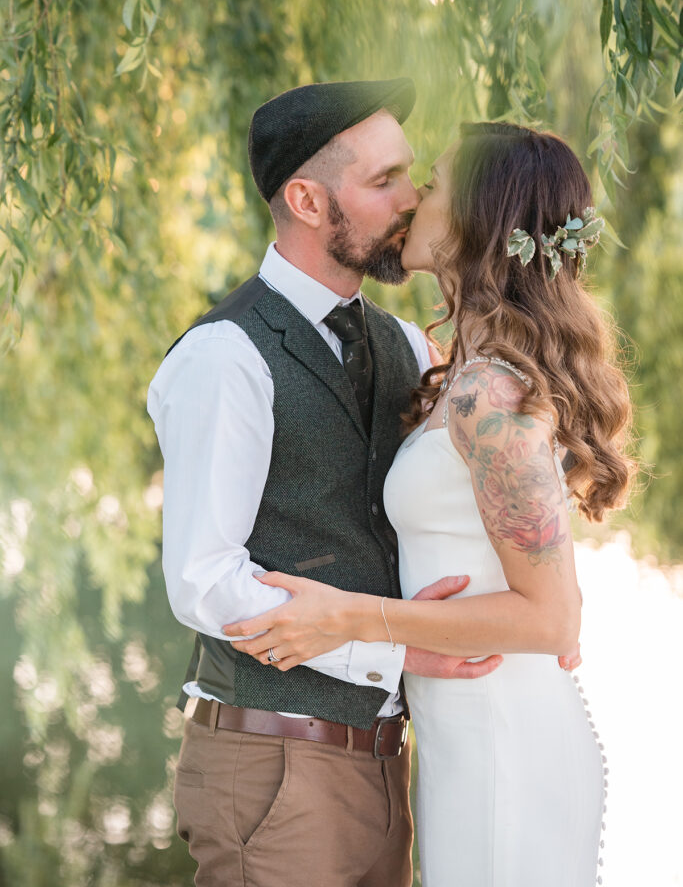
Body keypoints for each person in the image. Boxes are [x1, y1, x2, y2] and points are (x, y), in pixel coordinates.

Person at [222, 122, 634, 886]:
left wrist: (345, 616)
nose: (413, 199)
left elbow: (551, 620)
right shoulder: (461, 376)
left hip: (500, 743)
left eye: (435, 183)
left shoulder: (488, 393)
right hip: (462, 740)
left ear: (477, 217)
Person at [147, 80, 506, 887]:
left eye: (411, 175)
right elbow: (202, 581)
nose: (412, 198)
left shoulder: (406, 346)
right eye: (383, 182)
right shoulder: (226, 357)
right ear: (308, 201)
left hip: (390, 766)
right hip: (272, 765)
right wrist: (388, 648)